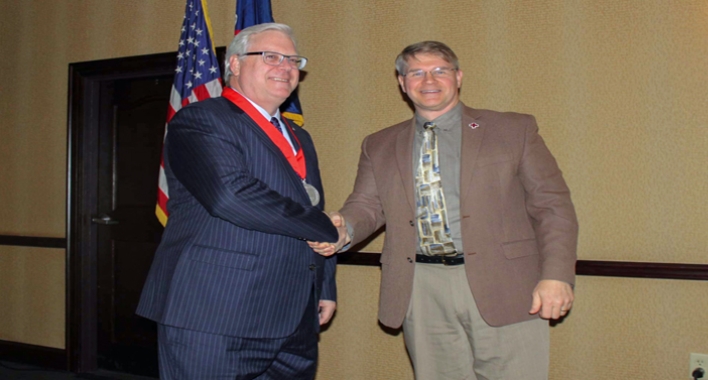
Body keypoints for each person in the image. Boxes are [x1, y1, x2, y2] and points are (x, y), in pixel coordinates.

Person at [313, 41, 578, 379]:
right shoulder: (378, 144)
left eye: (440, 70)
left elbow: (553, 205)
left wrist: (556, 275)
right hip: (420, 288)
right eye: (417, 72)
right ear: (401, 82)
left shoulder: (513, 130)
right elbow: (366, 206)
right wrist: (342, 228)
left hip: (506, 285)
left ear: (458, 76)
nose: (429, 80)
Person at [137, 23, 346, 380]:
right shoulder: (201, 119)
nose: (285, 67)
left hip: (294, 317)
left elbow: (310, 209)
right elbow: (231, 195)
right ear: (233, 64)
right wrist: (328, 228)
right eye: (270, 57)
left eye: (293, 60)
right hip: (216, 313)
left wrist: (324, 286)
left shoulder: (300, 137)